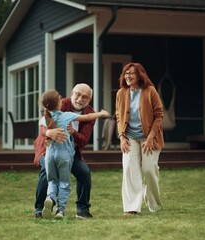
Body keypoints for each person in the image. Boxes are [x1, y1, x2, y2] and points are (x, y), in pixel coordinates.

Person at [39, 89, 109, 219]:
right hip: (64, 155)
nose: (80, 98)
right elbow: (87, 117)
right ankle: (60, 211)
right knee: (64, 182)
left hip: (50, 154)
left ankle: (50, 198)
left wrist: (72, 132)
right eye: (78, 94)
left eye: (85, 97)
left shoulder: (45, 118)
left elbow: (83, 138)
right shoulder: (67, 115)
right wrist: (101, 113)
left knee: (52, 181)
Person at [115, 62, 164, 216]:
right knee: (130, 169)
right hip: (130, 138)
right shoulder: (121, 93)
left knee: (149, 170)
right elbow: (119, 116)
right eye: (126, 73)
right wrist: (122, 137)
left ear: (139, 75)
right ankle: (131, 207)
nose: (128, 76)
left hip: (149, 138)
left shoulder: (150, 91)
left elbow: (159, 115)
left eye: (131, 73)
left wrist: (150, 137)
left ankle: (153, 203)